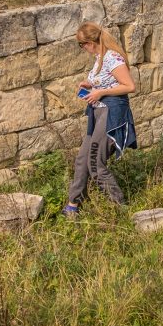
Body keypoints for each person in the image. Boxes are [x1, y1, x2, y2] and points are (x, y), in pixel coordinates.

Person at [62, 21, 137, 216]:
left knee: (95, 162)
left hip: (110, 114)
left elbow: (129, 86)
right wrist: (89, 84)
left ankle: (120, 208)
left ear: (93, 41)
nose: (82, 48)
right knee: (82, 159)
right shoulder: (99, 58)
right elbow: (104, 81)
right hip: (97, 114)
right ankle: (73, 205)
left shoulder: (113, 58)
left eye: (83, 44)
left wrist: (100, 92)